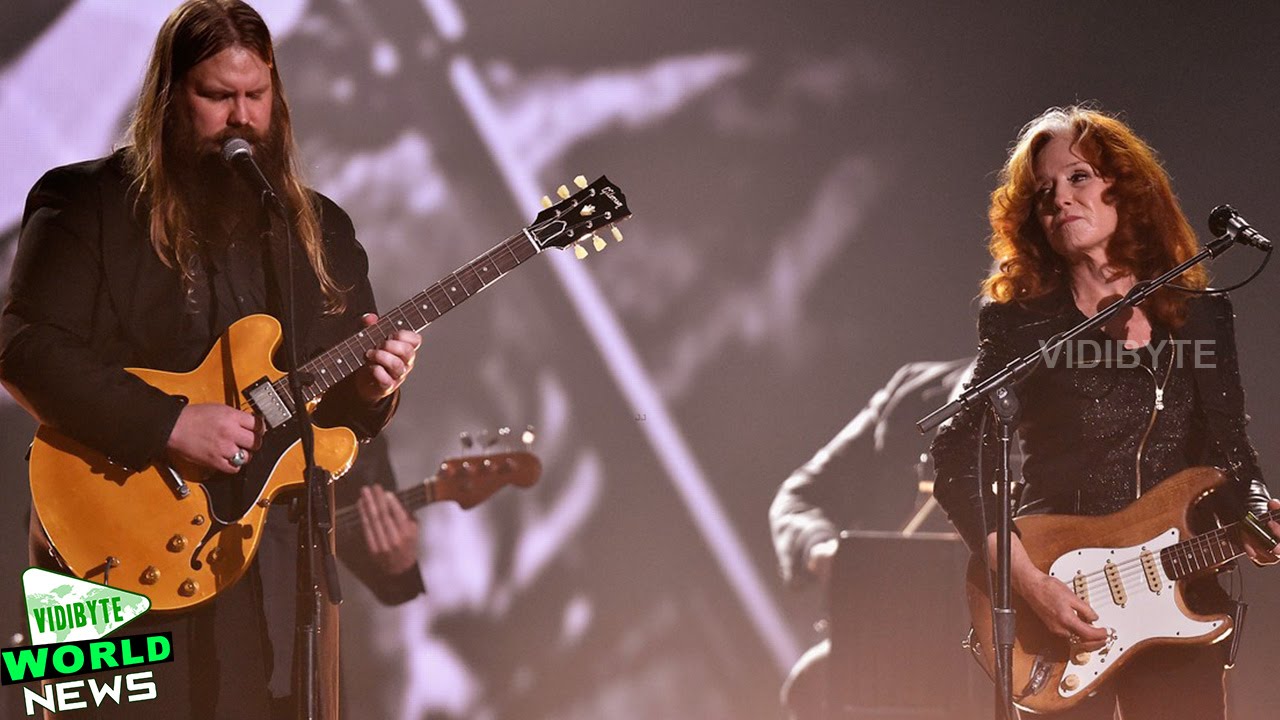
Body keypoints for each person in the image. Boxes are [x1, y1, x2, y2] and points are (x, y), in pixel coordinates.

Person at [0, 1, 422, 717]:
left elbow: (342, 412)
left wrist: (377, 389)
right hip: (100, 559)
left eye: (255, 96)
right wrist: (168, 422)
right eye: (217, 97)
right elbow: (24, 349)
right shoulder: (86, 202)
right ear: (168, 99)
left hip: (268, 579)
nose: (241, 117)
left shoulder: (319, 229)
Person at [930, 105, 1280, 720]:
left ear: (1128, 190)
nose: (1059, 199)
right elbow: (954, 453)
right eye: (1044, 191)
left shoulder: (1202, 315)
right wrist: (1030, 586)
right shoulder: (1023, 322)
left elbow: (1230, 453)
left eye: (1079, 177)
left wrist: (1254, 516)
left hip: (1182, 593)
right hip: (1059, 598)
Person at [769, 358, 973, 720]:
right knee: (812, 686)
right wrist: (825, 552)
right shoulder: (914, 391)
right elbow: (798, 499)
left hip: (1003, 651)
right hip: (894, 648)